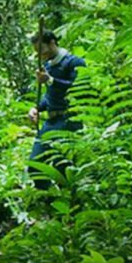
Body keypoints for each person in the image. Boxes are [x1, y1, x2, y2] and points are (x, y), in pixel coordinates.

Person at [27, 30, 86, 190]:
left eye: (42, 50)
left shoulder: (75, 63)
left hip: (69, 120)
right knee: (35, 165)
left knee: (63, 167)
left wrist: (51, 80)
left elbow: (78, 89)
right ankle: (48, 200)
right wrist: (37, 108)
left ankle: (70, 205)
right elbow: (50, 95)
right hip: (51, 122)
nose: (40, 55)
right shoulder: (47, 66)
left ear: (52, 43)